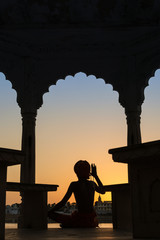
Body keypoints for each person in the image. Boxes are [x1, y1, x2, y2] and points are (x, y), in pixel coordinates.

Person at [48, 160, 105, 228]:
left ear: (77, 172)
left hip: (79, 219)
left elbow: (63, 202)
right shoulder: (92, 184)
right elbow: (103, 191)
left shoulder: (74, 185)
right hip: (91, 220)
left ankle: (70, 224)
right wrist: (96, 176)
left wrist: (49, 211)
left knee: (52, 215)